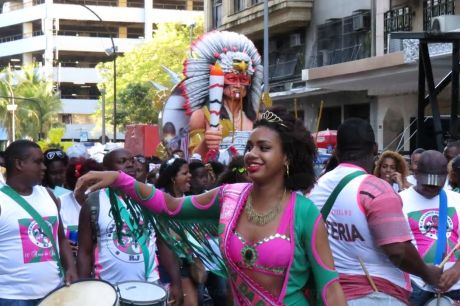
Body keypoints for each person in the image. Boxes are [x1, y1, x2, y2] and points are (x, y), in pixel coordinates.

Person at [76, 107, 347, 305]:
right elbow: (171, 206)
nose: (251, 154)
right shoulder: (228, 197)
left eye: (264, 147)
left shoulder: (305, 213)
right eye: (250, 146)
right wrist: (119, 179)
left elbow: (330, 289)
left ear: (286, 156)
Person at [308, 118, 441, 305]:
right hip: (375, 294)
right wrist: (427, 273)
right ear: (375, 149)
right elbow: (398, 251)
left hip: (328, 295)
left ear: (337, 150)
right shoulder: (374, 189)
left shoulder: (315, 187)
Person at [77, 149, 183, 306]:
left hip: (150, 289)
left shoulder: (151, 198)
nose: (130, 164)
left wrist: (177, 283)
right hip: (108, 291)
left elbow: (164, 243)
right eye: (122, 161)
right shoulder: (93, 202)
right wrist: (82, 290)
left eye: (132, 160)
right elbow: (84, 253)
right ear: (106, 171)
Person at [0, 140, 77, 305]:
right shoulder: (1, 200)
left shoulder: (48, 195)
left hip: (54, 293)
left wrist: (71, 268)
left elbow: (61, 238)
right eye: (38, 162)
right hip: (12, 297)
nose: (44, 167)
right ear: (19, 164)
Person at [184, 31, 263, 158]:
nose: (238, 85)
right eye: (232, 79)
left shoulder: (257, 117)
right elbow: (194, 159)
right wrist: (206, 142)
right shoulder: (201, 115)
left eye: (243, 80)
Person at [399, 150, 460, 305]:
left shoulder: (457, 200)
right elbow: (397, 247)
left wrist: (456, 271)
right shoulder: (399, 201)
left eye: (436, 184)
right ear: (416, 173)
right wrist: (423, 272)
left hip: (455, 287)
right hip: (415, 286)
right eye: (427, 183)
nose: (432, 187)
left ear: (445, 176)